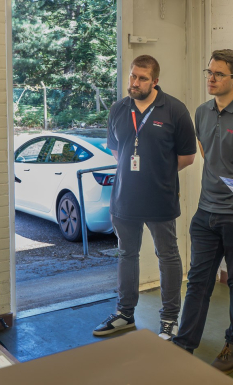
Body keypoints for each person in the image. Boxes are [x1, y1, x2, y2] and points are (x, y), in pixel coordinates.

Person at [171, 49, 233, 373]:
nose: (211, 79)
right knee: (198, 279)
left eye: (218, 74)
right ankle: (184, 343)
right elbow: (208, 154)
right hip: (205, 212)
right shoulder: (201, 112)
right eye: (209, 72)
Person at [93, 55, 197, 339]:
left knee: (168, 256)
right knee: (127, 254)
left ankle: (169, 319)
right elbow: (118, 151)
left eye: (141, 78)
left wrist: (157, 171)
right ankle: (125, 314)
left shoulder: (174, 109)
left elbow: (187, 156)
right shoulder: (118, 108)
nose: (134, 83)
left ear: (155, 81)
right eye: (132, 76)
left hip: (160, 198)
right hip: (124, 198)